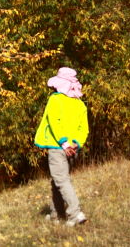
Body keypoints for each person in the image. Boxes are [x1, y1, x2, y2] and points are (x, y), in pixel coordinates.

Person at [34, 67, 89, 227]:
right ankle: (56, 214)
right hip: (73, 149)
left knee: (61, 180)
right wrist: (75, 144)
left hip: (58, 146)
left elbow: (54, 122)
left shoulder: (55, 100)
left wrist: (64, 143)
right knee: (57, 181)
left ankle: (75, 213)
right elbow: (83, 129)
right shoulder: (80, 105)